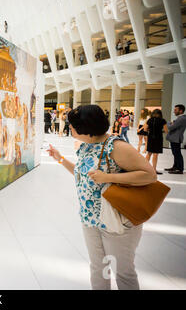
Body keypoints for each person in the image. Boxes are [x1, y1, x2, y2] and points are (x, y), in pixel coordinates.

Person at [47, 105, 156, 290]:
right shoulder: (86, 146)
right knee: (98, 267)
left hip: (116, 219)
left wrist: (108, 177)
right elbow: (83, 175)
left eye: (72, 126)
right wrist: (60, 159)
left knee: (123, 272)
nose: (69, 128)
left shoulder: (117, 146)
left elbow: (149, 175)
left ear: (86, 128)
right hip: (90, 218)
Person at [144, 109, 168, 175]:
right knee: (155, 154)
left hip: (151, 137)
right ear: (160, 114)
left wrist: (150, 130)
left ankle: (144, 168)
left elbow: (145, 129)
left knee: (149, 153)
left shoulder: (150, 120)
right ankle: (154, 170)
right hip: (158, 138)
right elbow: (166, 131)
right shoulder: (163, 120)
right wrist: (161, 131)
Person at [165, 104, 186, 174]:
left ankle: (180, 169)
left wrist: (168, 123)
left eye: (175, 110)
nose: (174, 111)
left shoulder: (181, 118)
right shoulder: (180, 118)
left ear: (181, 111)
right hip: (175, 138)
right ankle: (175, 167)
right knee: (175, 153)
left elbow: (171, 127)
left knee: (177, 153)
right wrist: (172, 123)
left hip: (176, 138)